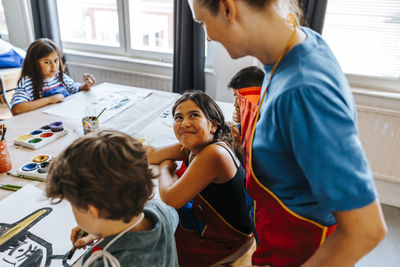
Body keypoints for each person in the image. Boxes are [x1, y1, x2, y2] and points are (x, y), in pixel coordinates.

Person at [189, 0, 387, 266]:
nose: (208, 36)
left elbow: (366, 229)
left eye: (202, 22)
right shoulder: (301, 45)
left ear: (227, 8)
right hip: (276, 243)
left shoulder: (302, 91)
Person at [146, 91, 253, 267]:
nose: (184, 123)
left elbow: (170, 199)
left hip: (227, 240)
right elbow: (152, 154)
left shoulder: (214, 153)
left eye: (194, 115)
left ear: (213, 125)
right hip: (210, 222)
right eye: (178, 117)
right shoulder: (193, 145)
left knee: (148, 233)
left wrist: (166, 168)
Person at [45, 130, 179, 267]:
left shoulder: (106, 262)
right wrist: (101, 230)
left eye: (72, 204)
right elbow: (173, 215)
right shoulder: (158, 210)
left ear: (92, 211)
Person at [11, 38, 96, 114]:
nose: (53, 66)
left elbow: (76, 89)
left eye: (56, 61)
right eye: (47, 62)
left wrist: (86, 85)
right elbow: (17, 109)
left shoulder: (59, 76)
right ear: (34, 63)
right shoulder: (27, 83)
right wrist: (49, 100)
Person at [227, 66, 264, 161]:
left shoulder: (265, 129)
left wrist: (239, 145)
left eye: (240, 98)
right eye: (235, 97)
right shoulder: (241, 125)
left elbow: (258, 167)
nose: (235, 104)